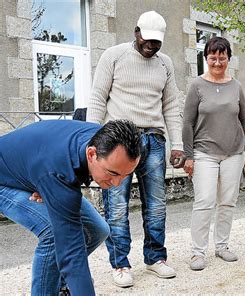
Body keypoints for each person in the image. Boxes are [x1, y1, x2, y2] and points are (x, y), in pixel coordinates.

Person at [86, 10, 185, 287]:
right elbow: (97, 98)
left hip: (153, 140)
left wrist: (177, 144)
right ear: (136, 32)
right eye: (147, 40)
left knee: (156, 205)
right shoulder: (114, 56)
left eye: (157, 42)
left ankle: (155, 258)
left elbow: (171, 106)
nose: (151, 46)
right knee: (116, 206)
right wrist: (90, 140)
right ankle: (120, 263)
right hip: (118, 141)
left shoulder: (165, 64)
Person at [0, 119, 141, 295]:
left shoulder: (107, 140)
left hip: (39, 168)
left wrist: (46, 184)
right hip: (5, 182)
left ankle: (59, 284)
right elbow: (71, 252)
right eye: (112, 173)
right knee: (53, 233)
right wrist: (48, 184)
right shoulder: (58, 171)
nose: (117, 183)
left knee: (98, 230)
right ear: (91, 154)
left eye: (126, 175)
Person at [182, 36, 245, 271]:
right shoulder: (197, 86)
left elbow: (243, 120)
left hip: (234, 152)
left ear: (228, 59)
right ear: (206, 58)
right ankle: (197, 252)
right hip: (204, 153)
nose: (218, 62)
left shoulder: (237, 86)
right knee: (205, 201)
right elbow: (187, 123)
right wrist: (188, 156)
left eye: (222, 57)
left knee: (228, 202)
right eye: (213, 57)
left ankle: (222, 246)